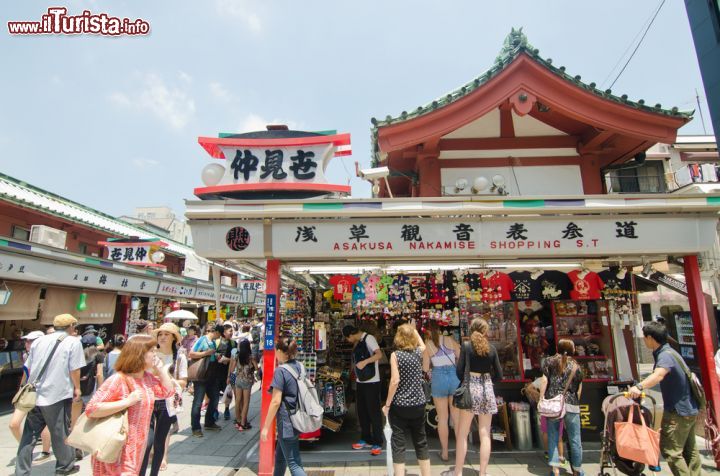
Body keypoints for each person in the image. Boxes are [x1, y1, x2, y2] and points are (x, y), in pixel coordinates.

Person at [84, 334, 175, 475]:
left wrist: (162, 371)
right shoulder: (118, 379)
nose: (155, 355)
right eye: (152, 351)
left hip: (137, 447)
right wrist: (127, 402)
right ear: (139, 354)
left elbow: (168, 393)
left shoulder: (147, 379)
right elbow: (92, 409)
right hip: (118, 447)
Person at [15, 314, 86, 476]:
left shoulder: (39, 341)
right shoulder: (72, 342)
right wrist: (77, 388)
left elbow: (29, 366)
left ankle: (22, 471)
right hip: (56, 394)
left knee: (29, 435)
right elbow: (74, 369)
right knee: (59, 432)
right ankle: (64, 467)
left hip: (35, 394)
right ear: (71, 326)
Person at [629, 322, 700, 476]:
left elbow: (658, 374)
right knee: (690, 451)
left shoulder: (665, 355)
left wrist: (639, 387)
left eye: (645, 338)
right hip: (688, 409)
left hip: (678, 412)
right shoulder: (670, 352)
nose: (644, 341)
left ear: (650, 338)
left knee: (671, 451)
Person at [452, 318, 503, 476]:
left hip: (470, 388)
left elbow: (459, 371)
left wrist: (468, 380)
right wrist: (488, 382)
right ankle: (482, 472)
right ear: (485, 331)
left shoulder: (466, 347)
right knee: (484, 433)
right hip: (486, 389)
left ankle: (458, 471)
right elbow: (499, 375)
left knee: (462, 433)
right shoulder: (492, 348)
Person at [140, 323, 188, 475]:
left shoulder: (179, 357)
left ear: (174, 338)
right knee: (147, 442)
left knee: (159, 441)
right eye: (160, 334)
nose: (162, 337)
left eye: (166, 334)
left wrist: (166, 378)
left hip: (167, 403)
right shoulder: (151, 354)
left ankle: (154, 472)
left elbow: (184, 382)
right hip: (149, 399)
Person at [383, 323, 430, 476]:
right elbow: (423, 345)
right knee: (421, 442)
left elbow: (394, 381)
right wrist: (414, 331)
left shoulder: (395, 355)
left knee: (398, 443)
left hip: (400, 405)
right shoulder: (418, 352)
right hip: (418, 403)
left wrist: (387, 404)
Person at [260, 337, 307, 476]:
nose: (275, 354)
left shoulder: (281, 371)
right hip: (296, 418)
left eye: (276, 351)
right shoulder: (300, 366)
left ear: (280, 351)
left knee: (294, 464)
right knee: (280, 458)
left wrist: (266, 427)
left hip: (286, 422)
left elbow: (275, 401)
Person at [539, 339, 584, 476]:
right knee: (575, 438)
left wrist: (541, 398)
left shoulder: (549, 361)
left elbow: (544, 380)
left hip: (553, 404)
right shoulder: (576, 366)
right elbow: (578, 388)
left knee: (553, 436)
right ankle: (577, 470)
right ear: (572, 350)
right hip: (571, 404)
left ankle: (555, 470)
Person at [8, 330, 52, 464]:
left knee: (44, 425)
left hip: (45, 392)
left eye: (30, 341)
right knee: (14, 424)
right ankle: (25, 449)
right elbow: (25, 374)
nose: (27, 343)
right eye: (26, 341)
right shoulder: (26, 355)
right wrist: (21, 389)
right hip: (29, 392)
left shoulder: (50, 355)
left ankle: (45, 451)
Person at [342, 325, 384, 456]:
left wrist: (365, 362)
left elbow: (379, 354)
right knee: (362, 412)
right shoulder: (359, 341)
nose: (347, 341)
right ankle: (366, 438)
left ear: (350, 335)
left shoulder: (369, 338)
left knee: (374, 412)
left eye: (346, 338)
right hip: (361, 381)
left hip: (372, 382)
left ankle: (378, 441)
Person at [422, 321, 460, 462]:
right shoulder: (450, 340)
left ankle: (444, 453)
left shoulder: (428, 346)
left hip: (439, 379)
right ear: (440, 329)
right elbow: (460, 356)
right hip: (454, 377)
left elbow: (425, 368)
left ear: (427, 332)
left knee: (442, 419)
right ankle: (459, 449)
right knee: (456, 419)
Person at [188, 323, 223, 437]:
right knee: (198, 402)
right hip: (201, 375)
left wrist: (215, 355)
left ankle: (209, 422)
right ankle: (196, 427)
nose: (219, 337)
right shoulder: (202, 339)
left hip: (211, 374)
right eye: (219, 334)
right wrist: (206, 353)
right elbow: (192, 354)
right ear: (216, 332)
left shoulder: (212, 342)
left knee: (214, 398)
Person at [229, 338, 257, 430]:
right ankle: (243, 423)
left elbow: (232, 369)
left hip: (238, 380)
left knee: (237, 401)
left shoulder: (237, 356)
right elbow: (257, 368)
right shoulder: (251, 357)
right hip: (247, 381)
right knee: (246, 402)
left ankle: (237, 420)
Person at [216, 323, 238, 421]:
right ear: (224, 333)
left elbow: (236, 358)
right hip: (216, 372)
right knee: (215, 393)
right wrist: (218, 357)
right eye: (230, 331)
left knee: (228, 391)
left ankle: (226, 409)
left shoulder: (234, 344)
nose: (232, 333)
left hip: (228, 372)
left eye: (232, 331)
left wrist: (228, 360)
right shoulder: (216, 342)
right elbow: (212, 353)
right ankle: (215, 410)